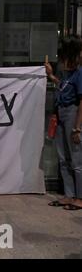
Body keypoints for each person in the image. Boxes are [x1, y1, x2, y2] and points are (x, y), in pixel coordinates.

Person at [45, 36, 82, 210]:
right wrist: (51, 75)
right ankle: (69, 195)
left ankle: (79, 198)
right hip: (61, 114)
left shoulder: (79, 73)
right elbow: (63, 87)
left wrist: (77, 127)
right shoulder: (67, 75)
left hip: (72, 114)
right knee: (63, 158)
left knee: (77, 160)